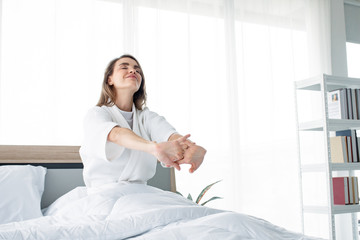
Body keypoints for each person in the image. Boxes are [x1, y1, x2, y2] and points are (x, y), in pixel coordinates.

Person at [79, 54, 206, 190]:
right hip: (104, 194)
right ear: (109, 79)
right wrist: (154, 148)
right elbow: (116, 134)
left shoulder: (147, 117)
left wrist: (190, 148)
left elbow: (169, 135)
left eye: (137, 70)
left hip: (141, 194)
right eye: (124, 67)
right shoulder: (97, 114)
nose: (133, 71)